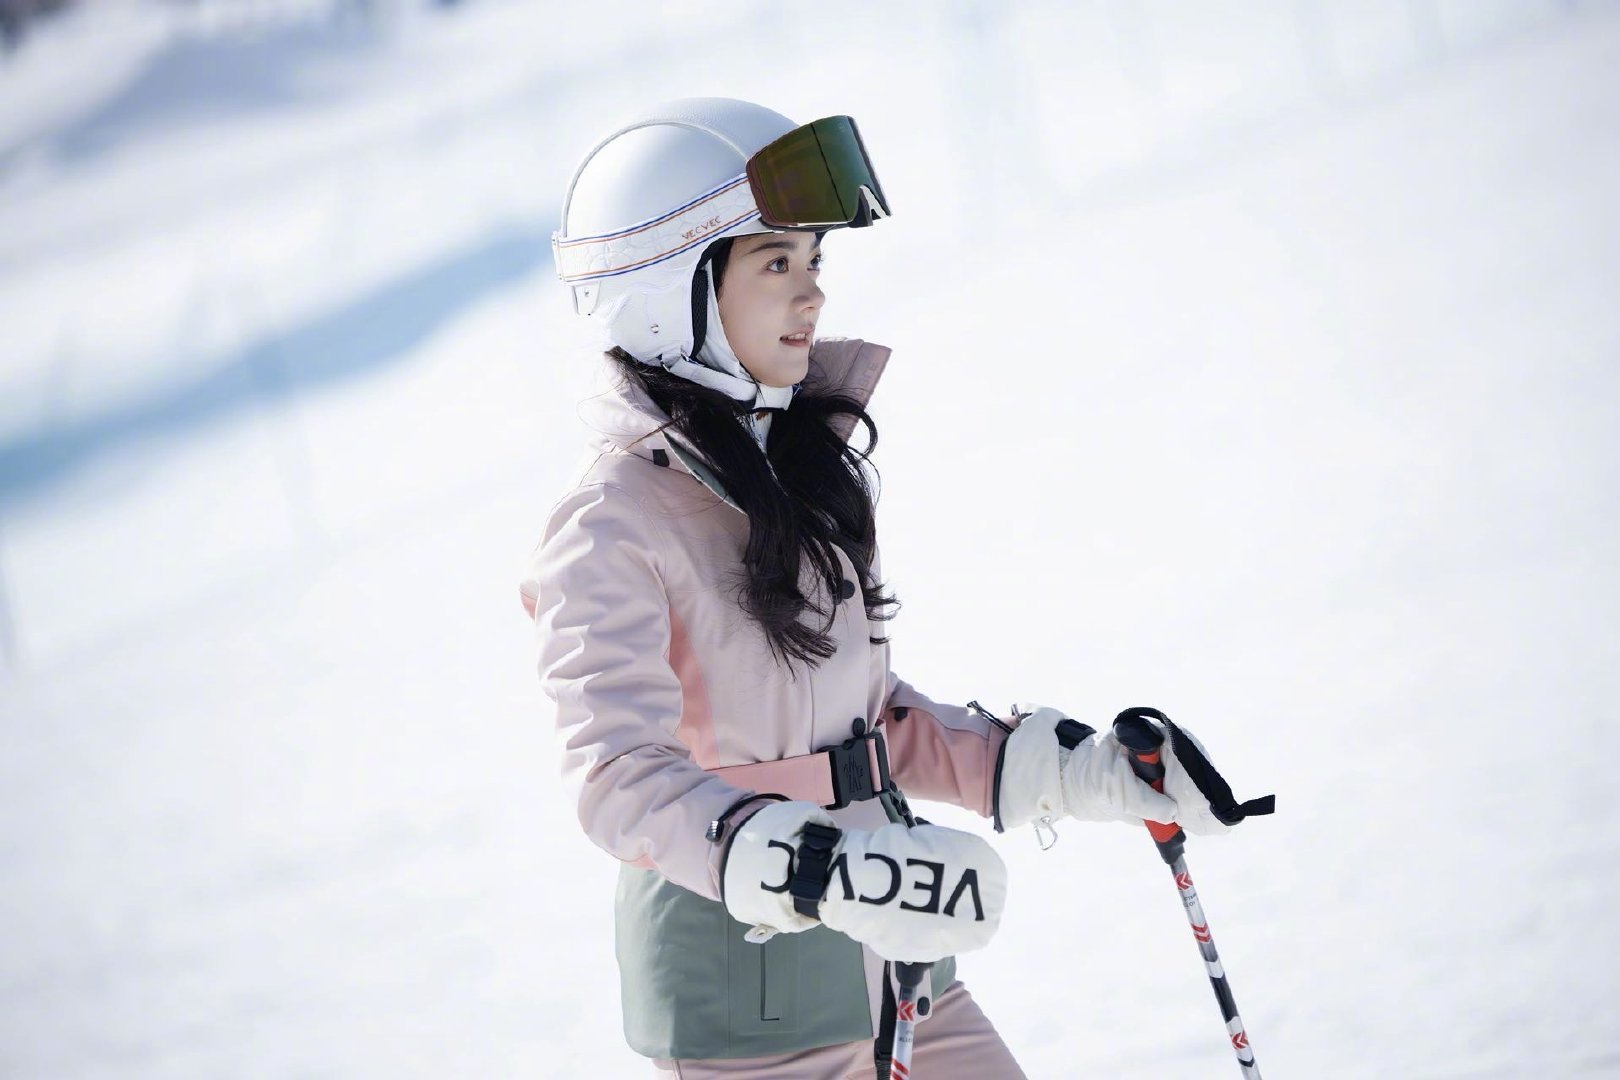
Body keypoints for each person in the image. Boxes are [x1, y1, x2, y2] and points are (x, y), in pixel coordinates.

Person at [520, 97, 1265, 1079]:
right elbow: (620, 777)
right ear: (667, 293)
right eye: (776, 264)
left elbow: (865, 728)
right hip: (753, 1006)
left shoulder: (795, 473)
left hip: (898, 963)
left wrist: (1074, 771)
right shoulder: (612, 521)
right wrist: (816, 868)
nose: (813, 294)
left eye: (814, 261)